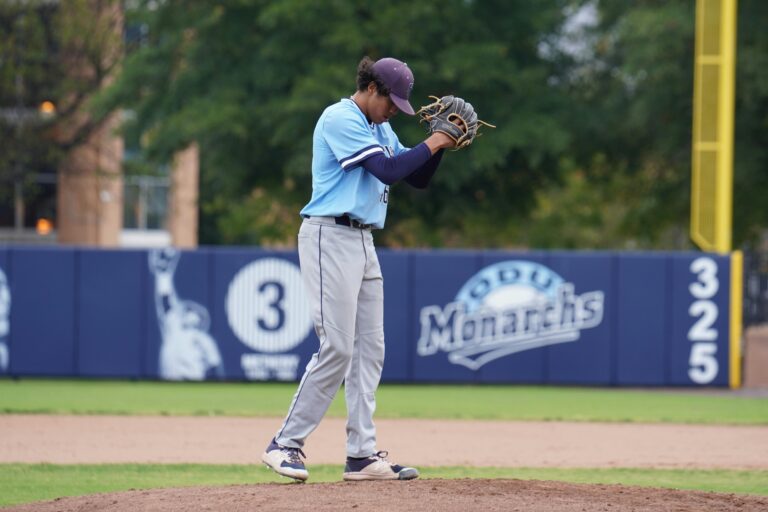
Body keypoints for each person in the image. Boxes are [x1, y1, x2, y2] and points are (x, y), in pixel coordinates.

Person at [261, 56, 457, 482]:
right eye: (391, 101)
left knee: (371, 348)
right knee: (337, 346)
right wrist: (437, 141)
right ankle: (285, 444)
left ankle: (361, 456)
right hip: (328, 236)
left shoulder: (380, 126)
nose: (394, 111)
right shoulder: (340, 117)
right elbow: (385, 169)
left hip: (364, 239)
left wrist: (439, 146)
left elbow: (415, 177)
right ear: (371, 88)